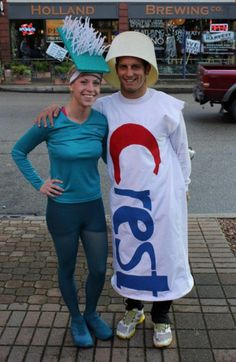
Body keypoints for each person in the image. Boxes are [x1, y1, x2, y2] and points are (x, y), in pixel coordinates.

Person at [35, 30, 194, 348]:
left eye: (137, 66)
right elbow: (78, 113)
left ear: (147, 70)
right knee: (130, 254)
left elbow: (180, 151)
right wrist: (54, 108)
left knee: (164, 252)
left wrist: (183, 189)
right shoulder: (105, 108)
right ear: (116, 70)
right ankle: (133, 309)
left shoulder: (166, 107)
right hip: (126, 199)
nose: (130, 72)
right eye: (124, 66)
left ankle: (161, 316)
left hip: (163, 197)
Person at [12, 18, 113, 348]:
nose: (90, 88)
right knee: (67, 267)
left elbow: (114, 159)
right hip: (62, 209)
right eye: (83, 81)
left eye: (96, 83)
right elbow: (18, 151)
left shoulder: (101, 121)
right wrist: (40, 183)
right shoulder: (51, 119)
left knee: (98, 268)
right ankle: (75, 317)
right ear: (71, 85)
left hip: (92, 206)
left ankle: (92, 312)